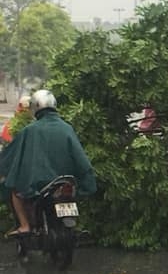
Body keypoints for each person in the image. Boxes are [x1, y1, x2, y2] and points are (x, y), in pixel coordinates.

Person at [0, 89, 96, 235]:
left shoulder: (30, 130)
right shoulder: (67, 128)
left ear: (35, 107)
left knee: (15, 190)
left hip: (37, 183)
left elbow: (11, 154)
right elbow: (80, 158)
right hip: (65, 181)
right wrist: (86, 178)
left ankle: (25, 226)